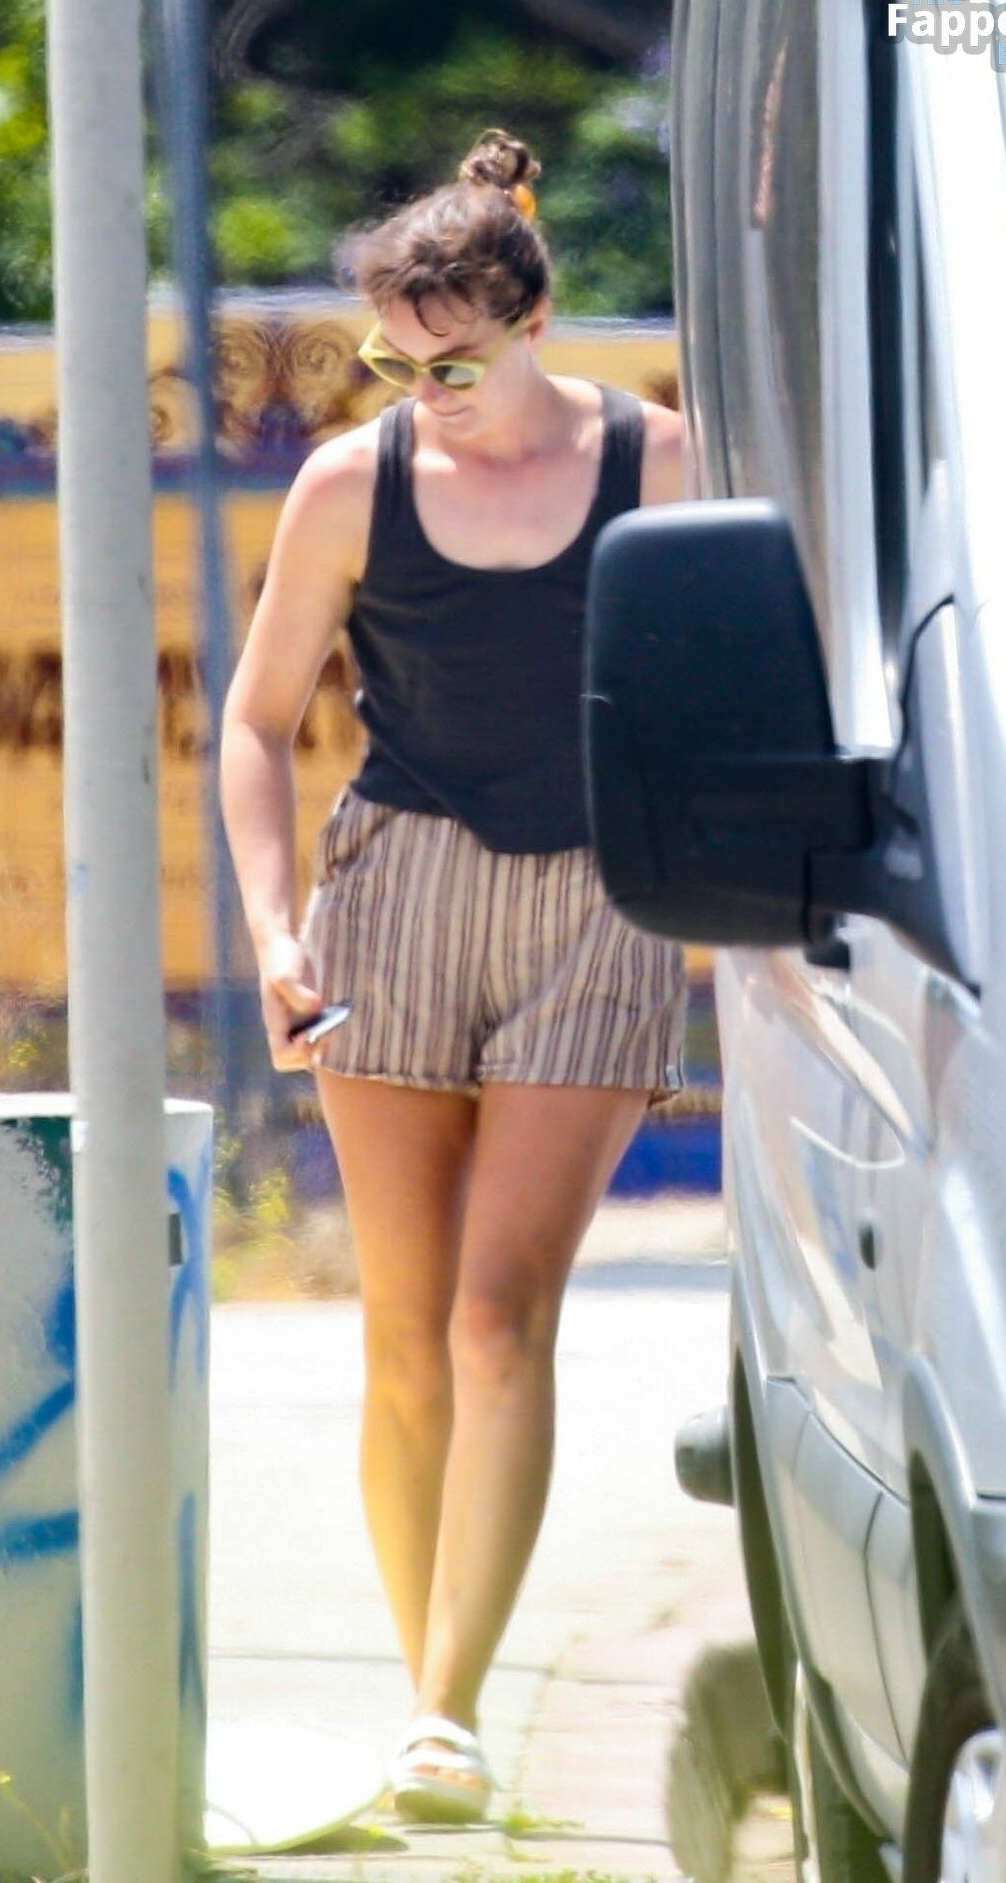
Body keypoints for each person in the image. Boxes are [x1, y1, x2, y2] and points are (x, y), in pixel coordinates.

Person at [219, 127, 689, 1824]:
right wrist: (275, 929)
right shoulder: (352, 485)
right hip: (396, 893)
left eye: (460, 364)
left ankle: (448, 1711)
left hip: (601, 903)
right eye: (395, 365)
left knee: (503, 1317)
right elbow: (256, 724)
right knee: (406, 1337)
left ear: (539, 319)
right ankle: (431, 1702)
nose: (429, 396)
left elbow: (730, 689)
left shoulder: (660, 464)